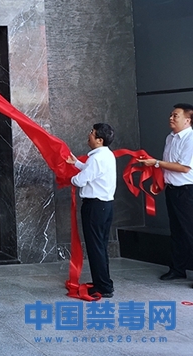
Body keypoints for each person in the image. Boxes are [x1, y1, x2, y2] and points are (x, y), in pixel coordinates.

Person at [138, 103, 193, 283]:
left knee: (189, 231)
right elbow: (167, 165)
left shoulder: (190, 139)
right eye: (171, 114)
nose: (171, 118)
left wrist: (156, 163)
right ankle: (177, 269)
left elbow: (184, 167)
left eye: (175, 115)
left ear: (187, 120)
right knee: (177, 232)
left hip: (187, 191)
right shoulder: (170, 137)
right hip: (172, 190)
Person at [66, 123, 116, 298]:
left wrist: (69, 178)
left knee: (95, 247)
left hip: (94, 206)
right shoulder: (106, 155)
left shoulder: (96, 159)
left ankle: (103, 286)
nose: (89, 135)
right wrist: (77, 163)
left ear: (99, 140)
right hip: (105, 206)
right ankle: (104, 282)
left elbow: (80, 180)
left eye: (92, 133)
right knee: (100, 246)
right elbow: (92, 172)